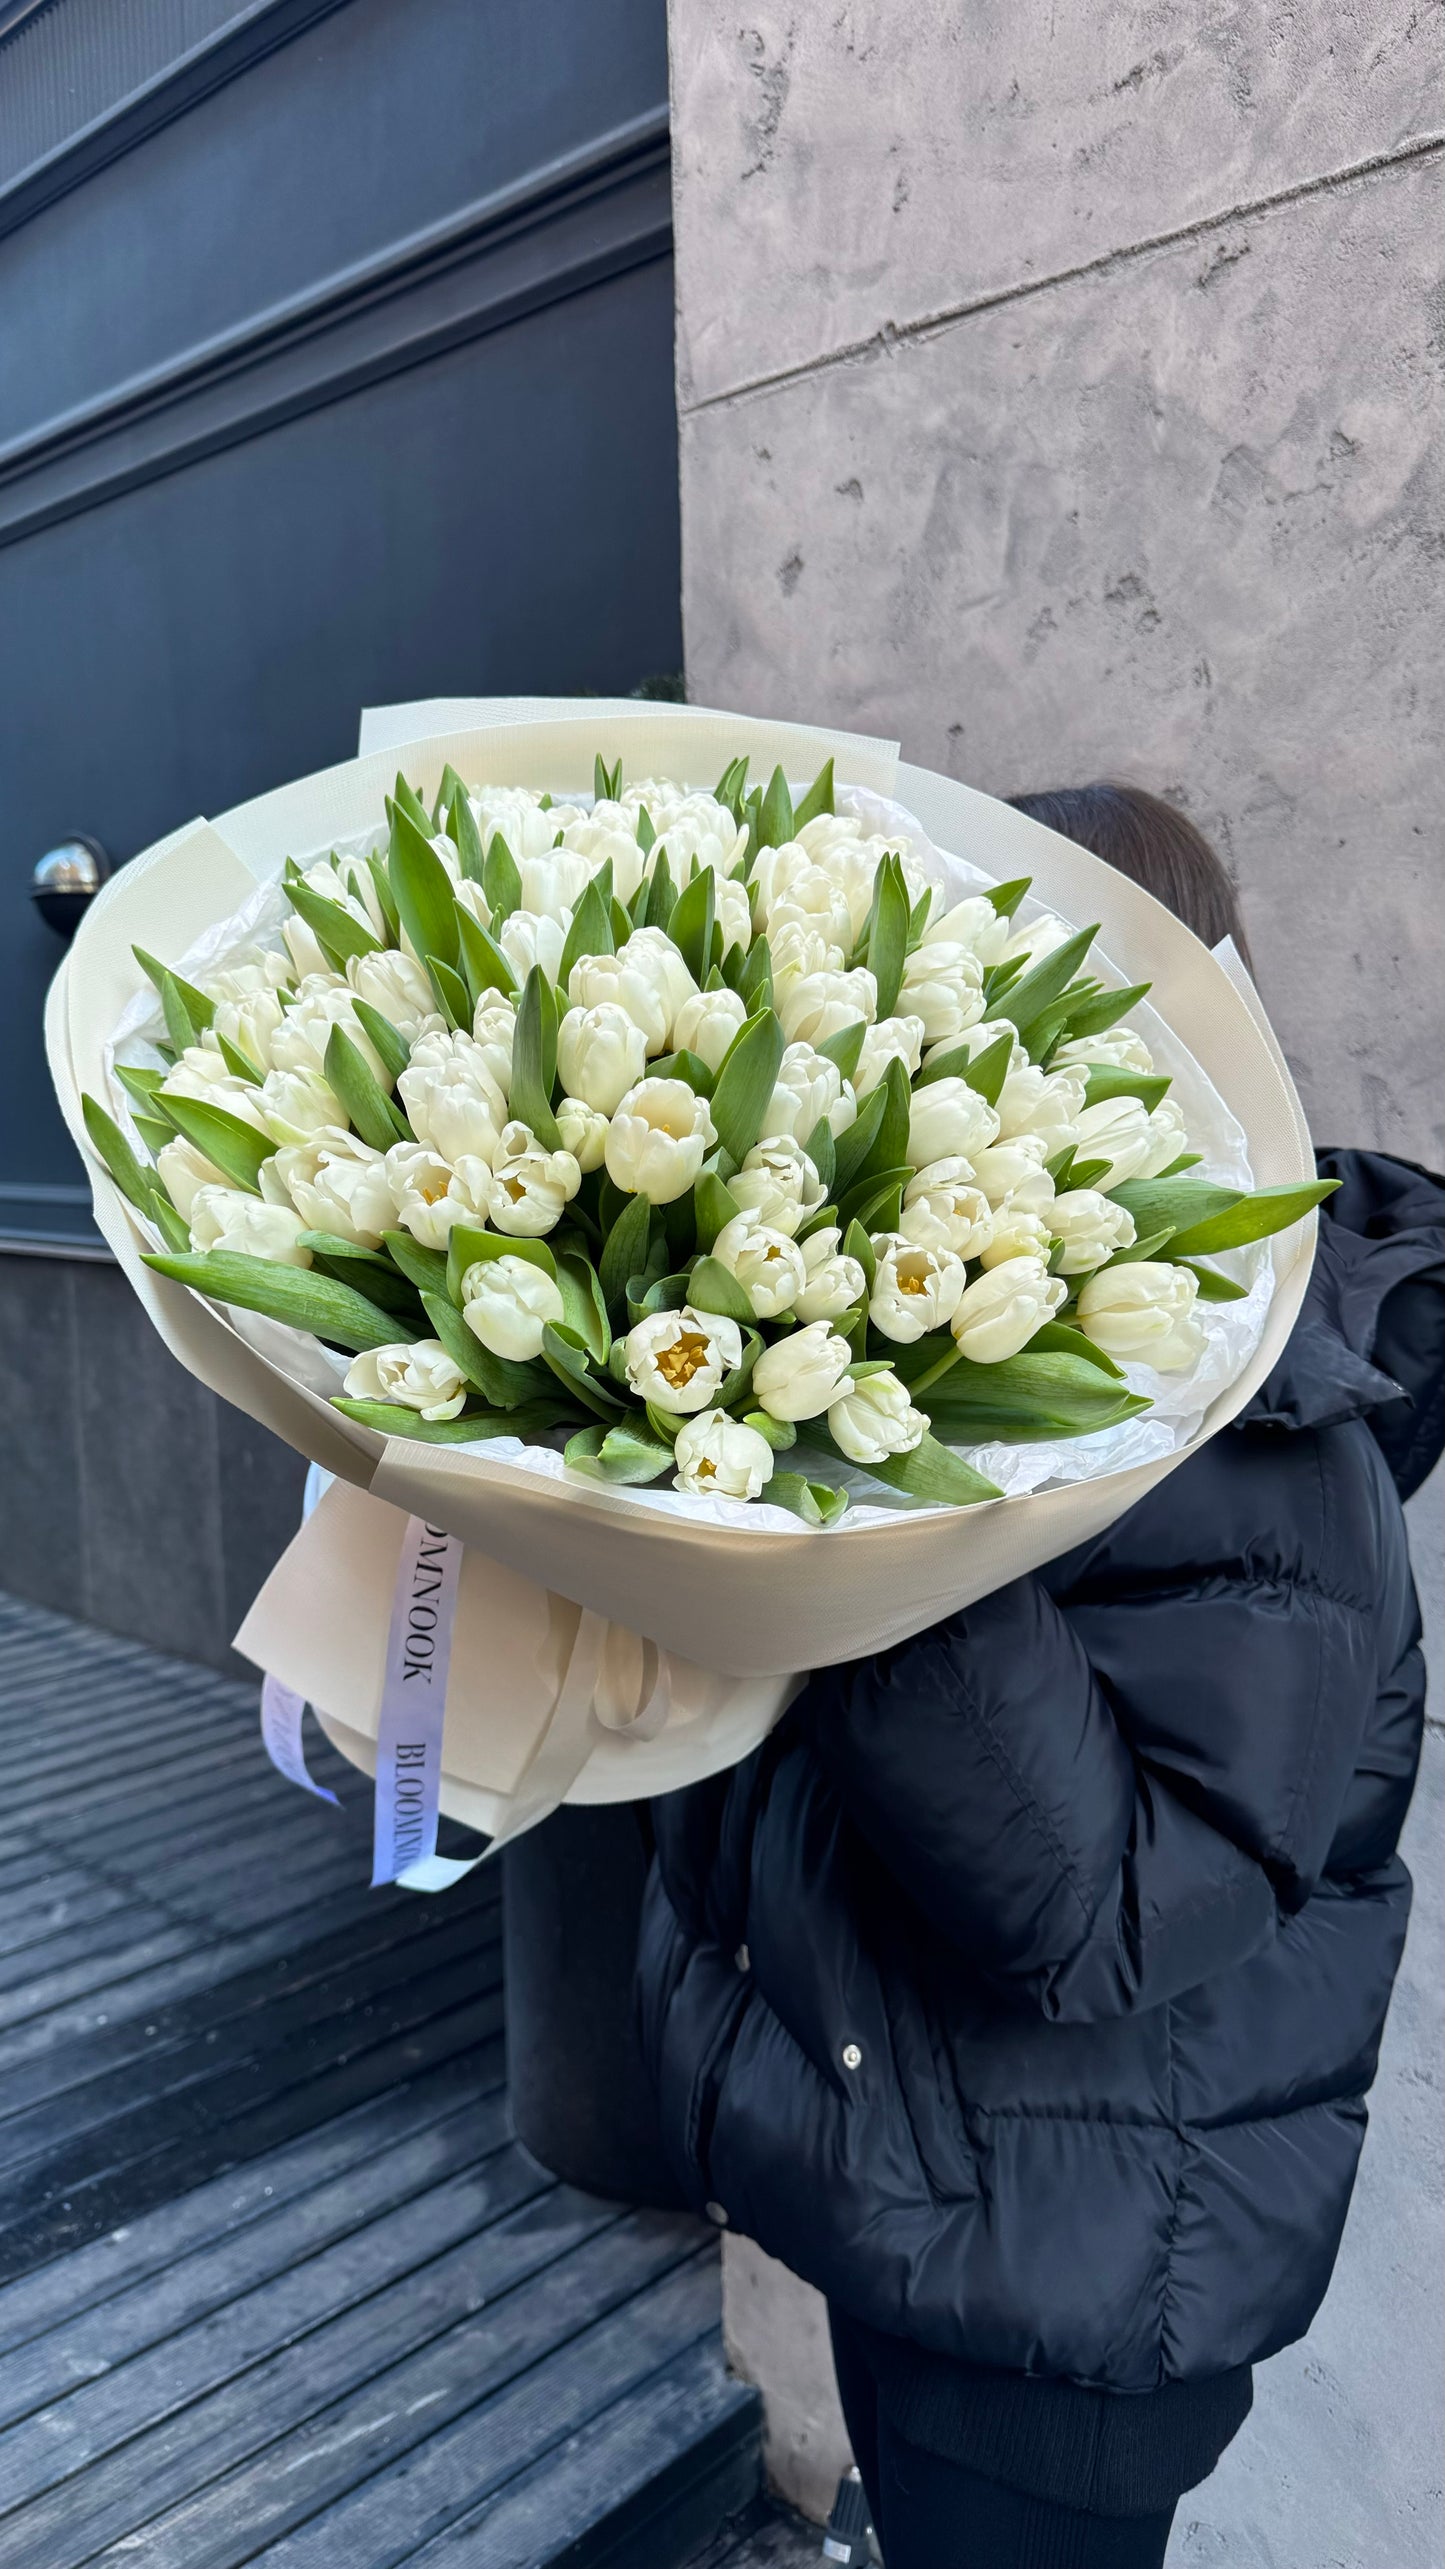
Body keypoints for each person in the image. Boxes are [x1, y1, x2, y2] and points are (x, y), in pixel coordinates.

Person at [636, 779, 1444, 2569]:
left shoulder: (1266, 1433)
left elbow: (1096, 1913)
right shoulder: (1044, 1347)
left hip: (1074, 2299)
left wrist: (861, 1465)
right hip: (936, 2208)